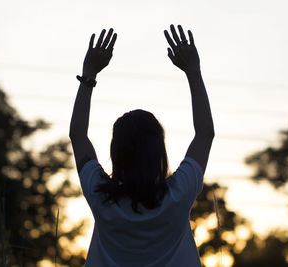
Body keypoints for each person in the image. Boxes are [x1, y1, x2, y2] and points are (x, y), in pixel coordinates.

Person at [69, 24, 214, 267]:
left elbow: (78, 136)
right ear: (159, 151)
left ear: (116, 153)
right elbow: (205, 134)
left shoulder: (100, 195)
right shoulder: (179, 193)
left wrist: (89, 74)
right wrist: (193, 72)